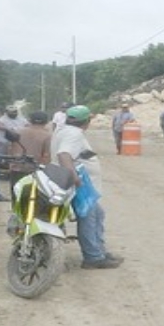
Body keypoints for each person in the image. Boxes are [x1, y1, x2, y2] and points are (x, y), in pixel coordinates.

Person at [51, 106, 123, 269]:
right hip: (78, 184)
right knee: (89, 218)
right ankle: (93, 256)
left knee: (97, 214)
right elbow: (64, 154)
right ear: (87, 121)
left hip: (74, 182)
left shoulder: (63, 130)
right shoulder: (74, 134)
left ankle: (99, 250)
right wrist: (74, 178)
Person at [7, 110, 53, 193]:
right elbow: (46, 156)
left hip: (17, 167)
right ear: (46, 122)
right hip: (36, 170)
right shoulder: (47, 135)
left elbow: (11, 149)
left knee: (17, 195)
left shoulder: (18, 132)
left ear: (29, 120)